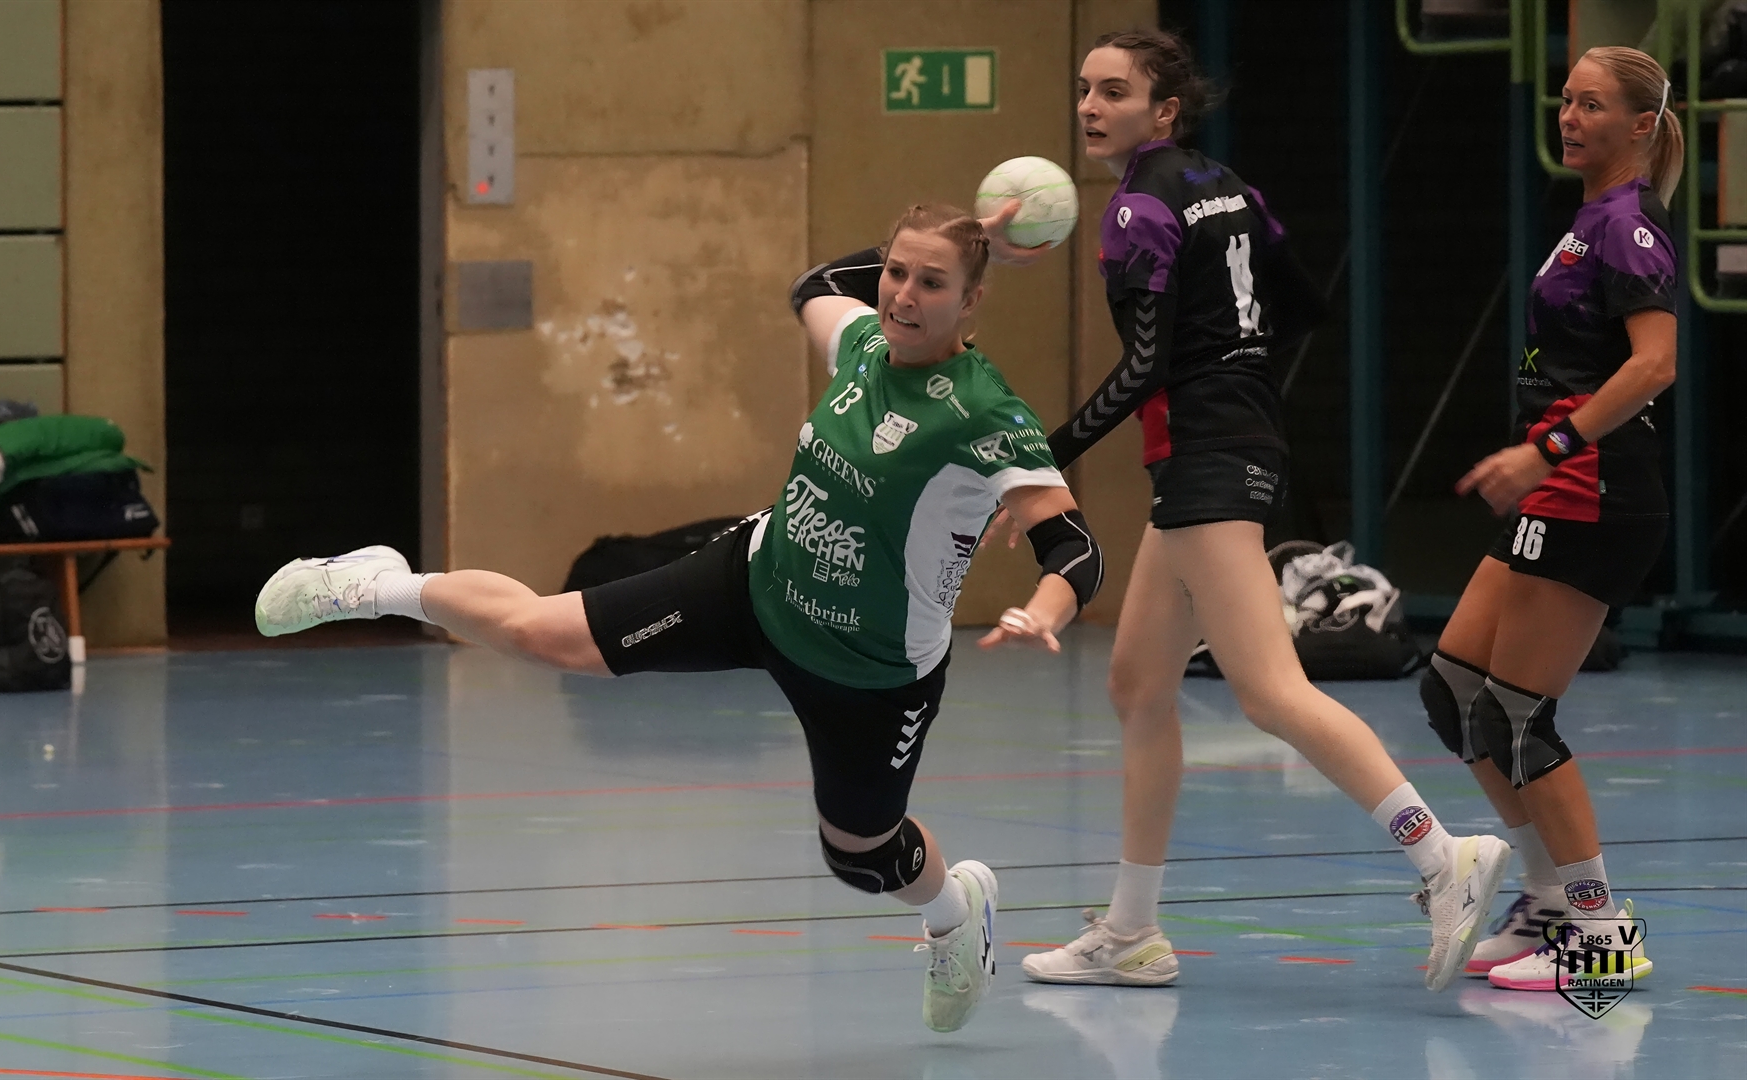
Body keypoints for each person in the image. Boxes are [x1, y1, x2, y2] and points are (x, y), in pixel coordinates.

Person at [253, 204, 1108, 1033]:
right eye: (894, 272)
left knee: (860, 855)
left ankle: (956, 913)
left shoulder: (984, 414)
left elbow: (1074, 550)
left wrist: (1043, 609)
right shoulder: (861, 347)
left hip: (871, 673)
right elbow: (816, 284)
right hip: (758, 584)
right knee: (544, 635)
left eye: (932, 282)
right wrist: (972, 235)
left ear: (973, 300)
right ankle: (373, 585)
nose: (903, 295)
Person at [987, 28, 1511, 992]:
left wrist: (1038, 460)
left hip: (1207, 455)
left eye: (1115, 91)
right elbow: (1300, 304)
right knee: (1139, 686)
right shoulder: (1228, 188)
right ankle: (1132, 932)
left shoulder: (1138, 209)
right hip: (1224, 443)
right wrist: (1234, 361)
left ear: (1164, 110)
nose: (1091, 106)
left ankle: (1444, 856)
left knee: (1269, 689)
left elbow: (1144, 367)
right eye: (1085, 89)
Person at [1426, 46, 1679, 991]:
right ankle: (1544, 900)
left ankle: (1600, 931)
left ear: (1642, 125)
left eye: (1592, 104)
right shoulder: (1588, 220)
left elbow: (1654, 364)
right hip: (1559, 485)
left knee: (1520, 717)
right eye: (1565, 101)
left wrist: (1548, 448)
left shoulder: (1629, 226)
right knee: (1455, 691)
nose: (1569, 117)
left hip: (1594, 486)